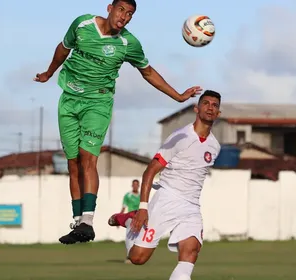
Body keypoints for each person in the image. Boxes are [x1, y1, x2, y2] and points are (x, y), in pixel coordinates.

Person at [34, 0, 202, 245]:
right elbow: (63, 48)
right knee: (73, 164)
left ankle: (88, 222)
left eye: (130, 14)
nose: (124, 16)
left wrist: (177, 95)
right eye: (121, 10)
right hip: (69, 99)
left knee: (88, 157)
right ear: (109, 8)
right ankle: (78, 221)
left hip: (98, 102)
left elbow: (148, 71)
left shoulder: (128, 43)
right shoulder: (82, 24)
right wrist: (49, 73)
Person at [107, 90, 222, 280]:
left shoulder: (215, 146)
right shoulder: (180, 137)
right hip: (166, 199)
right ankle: (129, 219)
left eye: (215, 105)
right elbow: (150, 171)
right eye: (206, 103)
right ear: (197, 109)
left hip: (191, 207)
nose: (210, 107)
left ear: (218, 112)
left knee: (191, 251)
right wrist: (143, 208)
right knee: (138, 258)